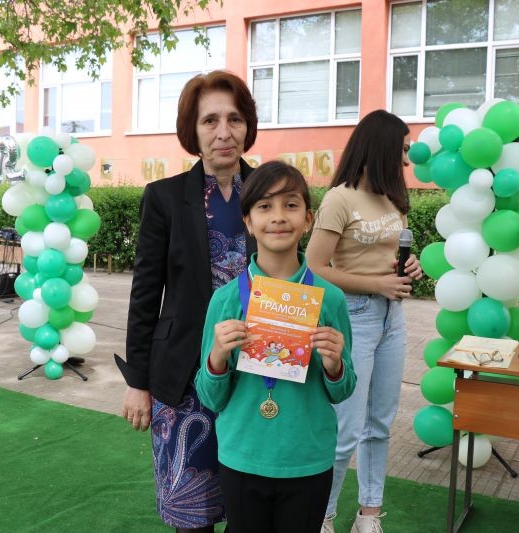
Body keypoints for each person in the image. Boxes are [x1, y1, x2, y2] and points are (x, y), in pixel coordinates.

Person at [114, 70, 259, 532]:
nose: (224, 132)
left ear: (247, 126)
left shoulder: (271, 192)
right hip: (185, 378)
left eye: (234, 119)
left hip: (259, 374)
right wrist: (138, 381)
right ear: (192, 131)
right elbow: (145, 293)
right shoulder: (165, 197)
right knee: (192, 516)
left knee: (251, 512)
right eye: (210, 120)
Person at [195, 160, 356, 533]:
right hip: (242, 455)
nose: (279, 216)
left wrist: (335, 365)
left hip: (308, 458)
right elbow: (210, 397)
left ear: (308, 219)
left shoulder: (329, 298)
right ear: (248, 222)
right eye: (264, 206)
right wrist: (217, 357)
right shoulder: (225, 299)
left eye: (291, 204)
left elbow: (343, 390)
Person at [305, 110, 423, 533]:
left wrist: (411, 267)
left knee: (379, 425)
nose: (407, 159)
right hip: (354, 317)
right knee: (346, 429)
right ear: (381, 147)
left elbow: (391, 255)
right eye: (403, 149)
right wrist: (376, 285)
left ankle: (369, 514)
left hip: (393, 318)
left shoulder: (393, 198)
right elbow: (314, 268)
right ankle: (323, 515)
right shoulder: (340, 199)